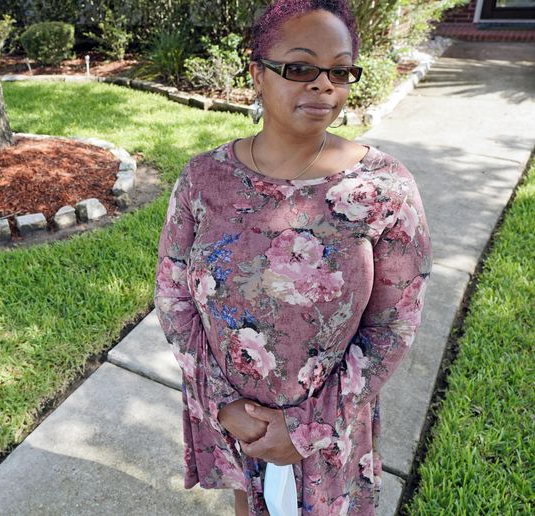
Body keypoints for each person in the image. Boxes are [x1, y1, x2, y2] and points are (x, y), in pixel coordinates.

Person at [153, 1, 433, 514]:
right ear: (257, 73)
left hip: (333, 424)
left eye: (340, 70)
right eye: (301, 68)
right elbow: (173, 296)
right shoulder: (203, 179)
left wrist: (307, 426)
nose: (324, 85)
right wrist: (225, 404)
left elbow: (394, 325)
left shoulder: (384, 187)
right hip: (239, 422)